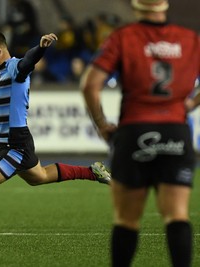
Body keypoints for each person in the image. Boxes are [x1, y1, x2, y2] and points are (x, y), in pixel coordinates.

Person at [0, 30, 112, 246]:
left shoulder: (15, 68)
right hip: (10, 145)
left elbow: (28, 61)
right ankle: (92, 172)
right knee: (40, 177)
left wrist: (41, 48)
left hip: (15, 146)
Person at [80, 1, 199, 266]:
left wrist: (101, 124)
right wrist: (190, 103)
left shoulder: (124, 37)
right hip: (175, 133)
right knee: (177, 215)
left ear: (136, 5)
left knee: (127, 220)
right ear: (165, 4)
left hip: (134, 132)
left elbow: (90, 84)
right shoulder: (189, 39)